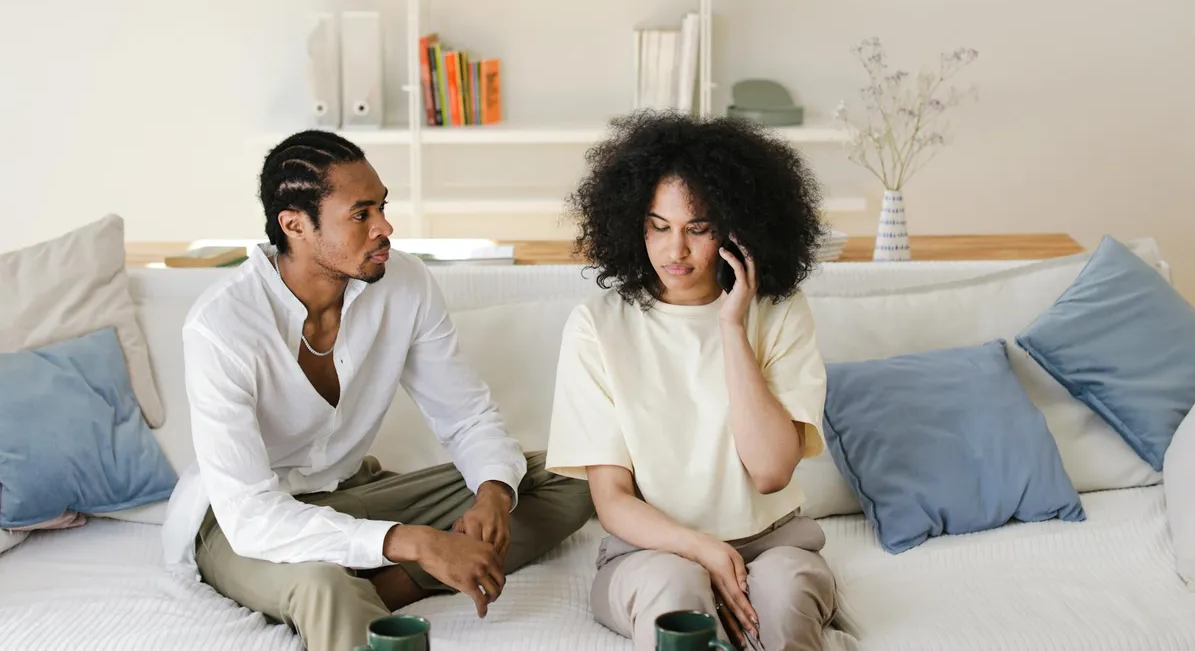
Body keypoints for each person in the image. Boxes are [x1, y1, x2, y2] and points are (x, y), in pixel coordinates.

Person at [161, 129, 594, 651]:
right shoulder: (221, 326)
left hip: (349, 494)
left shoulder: (404, 284)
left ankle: (392, 583)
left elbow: (466, 416)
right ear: (295, 225)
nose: (385, 228)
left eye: (383, 207)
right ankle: (360, 581)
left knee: (569, 474)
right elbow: (251, 516)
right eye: (361, 214)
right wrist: (414, 541)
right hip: (246, 523)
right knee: (323, 585)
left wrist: (493, 494)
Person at [545, 112, 839, 651]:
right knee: (674, 595)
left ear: (736, 228)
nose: (674, 251)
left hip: (773, 546)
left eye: (697, 229)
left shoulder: (780, 312)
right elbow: (611, 499)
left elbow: (772, 472)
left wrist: (731, 326)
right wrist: (701, 551)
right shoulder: (597, 325)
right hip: (650, 553)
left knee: (784, 593)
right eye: (658, 226)